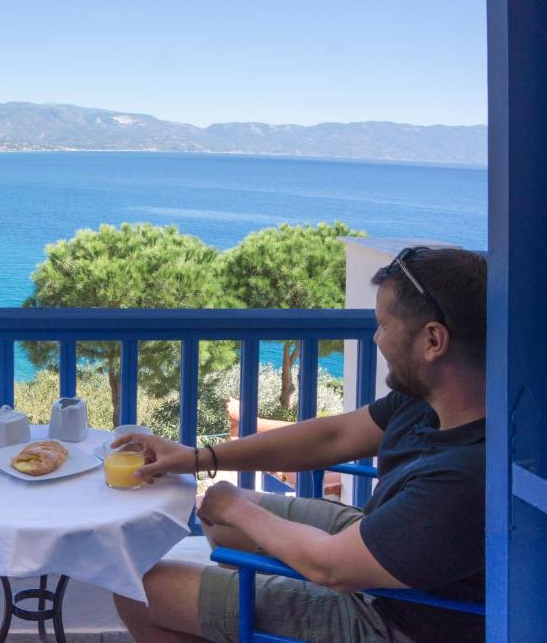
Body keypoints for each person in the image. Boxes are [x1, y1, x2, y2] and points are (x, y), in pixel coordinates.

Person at [112, 247, 487, 643]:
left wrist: (239, 507)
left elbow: (330, 569)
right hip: (384, 539)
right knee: (216, 516)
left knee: (137, 594)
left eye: (382, 325)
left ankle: (262, 614)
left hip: (396, 617)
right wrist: (198, 458)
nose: (376, 338)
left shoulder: (466, 476)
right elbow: (333, 435)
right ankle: (249, 618)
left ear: (433, 340)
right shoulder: (430, 399)